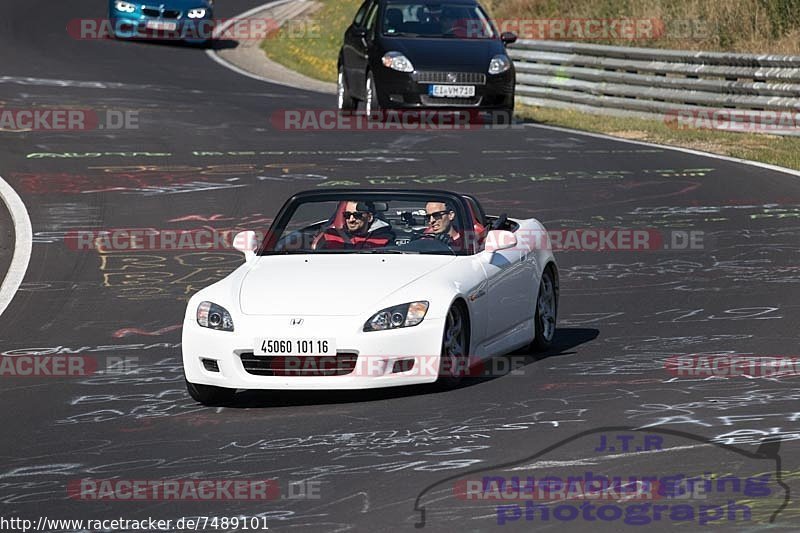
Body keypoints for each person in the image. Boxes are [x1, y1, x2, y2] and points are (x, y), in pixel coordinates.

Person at [317, 200, 395, 249]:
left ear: (369, 217)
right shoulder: (329, 237)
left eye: (357, 215)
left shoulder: (384, 240)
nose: (351, 220)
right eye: (347, 215)